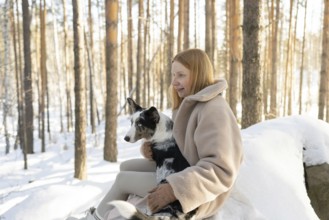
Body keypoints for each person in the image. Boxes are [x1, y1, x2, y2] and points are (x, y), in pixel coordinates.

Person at [68, 48, 243, 220]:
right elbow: (181, 147)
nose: (174, 82)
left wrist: (174, 188)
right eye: (173, 75)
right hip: (182, 169)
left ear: (198, 74)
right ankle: (123, 211)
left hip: (196, 194)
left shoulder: (214, 110)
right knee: (126, 167)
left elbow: (221, 169)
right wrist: (151, 150)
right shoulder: (189, 104)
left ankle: (95, 218)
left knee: (123, 180)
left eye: (181, 75)